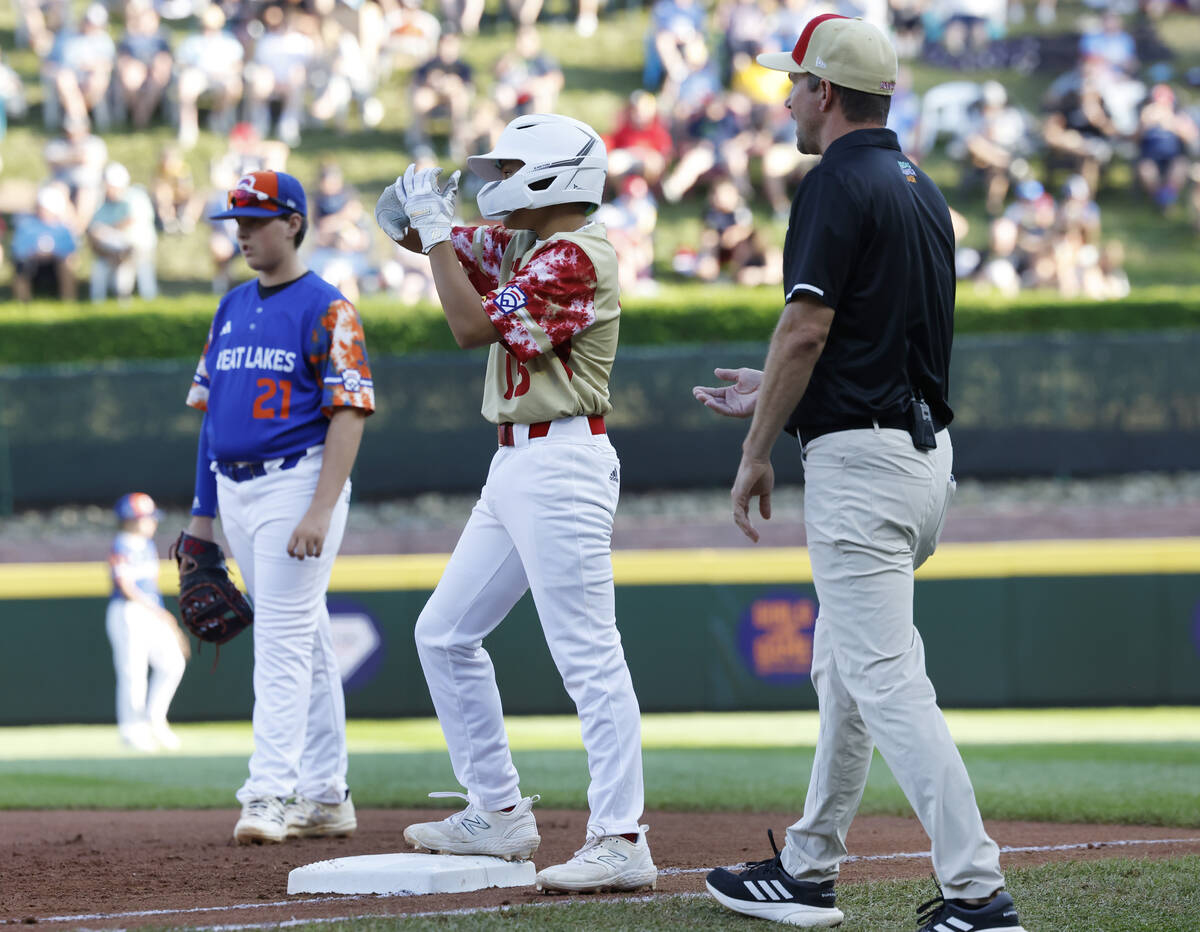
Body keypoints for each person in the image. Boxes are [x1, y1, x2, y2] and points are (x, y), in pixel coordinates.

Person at [694, 16, 1027, 932]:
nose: (788, 97)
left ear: (828, 94)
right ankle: (808, 867)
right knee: (845, 671)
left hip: (863, 465)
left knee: (882, 678)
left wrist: (758, 445)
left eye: (796, 84)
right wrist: (781, 393)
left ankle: (977, 893)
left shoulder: (835, 181)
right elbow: (868, 342)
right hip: (921, 459)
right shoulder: (920, 189)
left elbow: (806, 329)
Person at [374, 112, 657, 895]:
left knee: (588, 656)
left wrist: (433, 232)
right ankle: (497, 811)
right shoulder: (532, 242)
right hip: (519, 464)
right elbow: (441, 252)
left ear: (552, 174)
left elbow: (468, 324)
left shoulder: (574, 254)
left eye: (507, 168)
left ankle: (622, 835)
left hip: (562, 458)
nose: (493, 182)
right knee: (444, 634)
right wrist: (412, 217)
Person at [182, 169, 374, 844]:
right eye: (235, 222)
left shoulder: (328, 307)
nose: (241, 234)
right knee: (308, 640)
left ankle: (268, 792)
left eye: (254, 221)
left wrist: (320, 508)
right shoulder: (231, 307)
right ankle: (325, 794)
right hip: (233, 489)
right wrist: (201, 518)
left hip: (299, 480)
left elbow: (349, 412)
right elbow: (211, 417)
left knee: (283, 640)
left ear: (293, 222)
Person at [107, 492, 189, 753]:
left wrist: (164, 618)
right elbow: (125, 585)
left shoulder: (146, 545)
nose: (152, 522)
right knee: (133, 671)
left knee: (172, 662)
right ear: (131, 519)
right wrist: (159, 613)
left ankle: (155, 719)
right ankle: (132, 729)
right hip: (128, 611)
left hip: (149, 611)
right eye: (147, 518)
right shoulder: (122, 544)